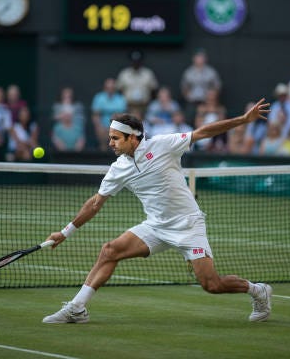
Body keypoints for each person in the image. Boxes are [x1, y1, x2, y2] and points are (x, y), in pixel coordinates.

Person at [42, 99, 273, 324]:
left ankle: (258, 290)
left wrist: (243, 119)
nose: (110, 143)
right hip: (156, 226)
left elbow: (203, 132)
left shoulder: (163, 144)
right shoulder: (118, 168)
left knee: (212, 285)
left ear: (132, 138)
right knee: (110, 251)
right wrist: (65, 232)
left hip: (188, 225)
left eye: (115, 138)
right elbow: (95, 203)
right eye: (109, 138)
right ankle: (77, 308)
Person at [180, 48, 222, 124]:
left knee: (210, 120)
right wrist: (188, 97)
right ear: (194, 59)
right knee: (189, 118)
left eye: (201, 58)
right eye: (198, 58)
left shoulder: (211, 72)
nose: (199, 60)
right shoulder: (188, 72)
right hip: (193, 101)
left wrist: (211, 98)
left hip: (207, 101)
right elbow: (184, 87)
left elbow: (217, 86)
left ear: (205, 59)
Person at [116, 50, 158, 115]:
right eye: (134, 61)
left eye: (138, 61)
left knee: (144, 124)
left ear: (141, 61)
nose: (136, 63)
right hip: (128, 107)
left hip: (144, 107)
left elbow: (154, 90)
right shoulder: (124, 74)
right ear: (131, 61)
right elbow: (119, 91)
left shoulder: (148, 73)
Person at [91, 78, 127, 151]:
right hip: (102, 127)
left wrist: (115, 128)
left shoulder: (121, 99)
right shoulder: (99, 97)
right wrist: (99, 127)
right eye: (108, 88)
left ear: (115, 88)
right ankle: (102, 158)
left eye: (112, 88)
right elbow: (95, 115)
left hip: (117, 127)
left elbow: (123, 116)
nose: (110, 90)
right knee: (101, 133)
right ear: (105, 88)